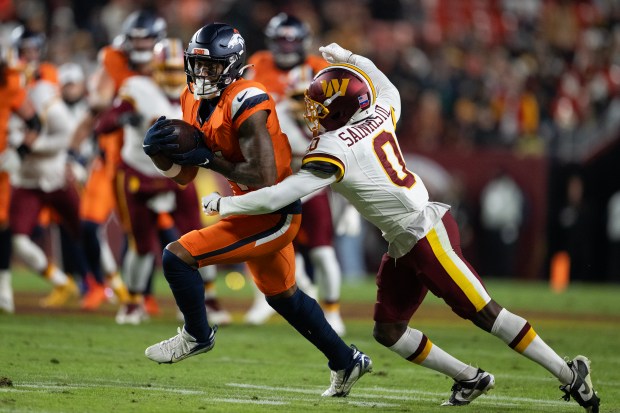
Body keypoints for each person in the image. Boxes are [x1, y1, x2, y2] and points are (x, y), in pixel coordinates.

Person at [201, 43, 601, 411]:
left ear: (339, 109)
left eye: (320, 109)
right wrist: (347, 56)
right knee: (388, 330)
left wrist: (227, 203)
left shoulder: (334, 149)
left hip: (426, 232)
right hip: (403, 239)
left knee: (485, 313)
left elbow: (278, 197)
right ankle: (469, 378)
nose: (313, 116)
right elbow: (383, 81)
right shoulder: (379, 111)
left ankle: (570, 374)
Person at [141, 23, 371, 397]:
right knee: (284, 298)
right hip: (249, 208)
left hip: (274, 210)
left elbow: (263, 176)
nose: (202, 74)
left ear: (231, 65)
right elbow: (183, 176)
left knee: (177, 257)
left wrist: (209, 159)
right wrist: (157, 157)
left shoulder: (247, 97)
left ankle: (197, 335)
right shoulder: (190, 98)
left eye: (211, 67)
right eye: (197, 66)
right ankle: (347, 361)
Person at [244, 12, 347, 335]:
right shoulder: (258, 64)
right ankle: (268, 297)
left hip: (313, 172)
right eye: (281, 40)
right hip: (273, 171)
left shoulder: (322, 71)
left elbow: (345, 123)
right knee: (260, 239)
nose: (287, 47)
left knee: (320, 248)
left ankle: (331, 310)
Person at [0, 47, 41, 313]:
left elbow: (34, 123)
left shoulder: (9, 82)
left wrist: (19, 152)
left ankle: (3, 290)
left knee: (2, 225)